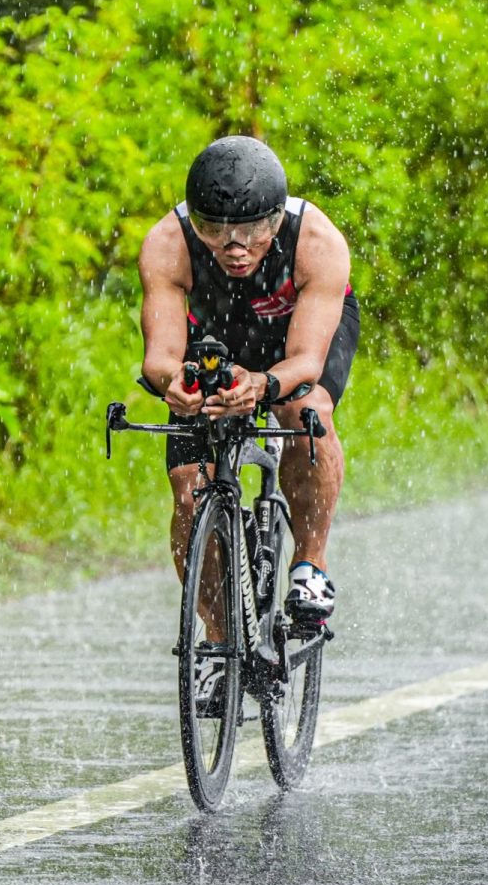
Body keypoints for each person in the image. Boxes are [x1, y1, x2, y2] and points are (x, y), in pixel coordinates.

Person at [136, 136, 358, 711]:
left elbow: (307, 362)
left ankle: (309, 564)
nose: (234, 247)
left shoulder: (315, 242)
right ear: (196, 223)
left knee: (304, 412)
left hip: (294, 333)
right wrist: (173, 387)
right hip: (218, 333)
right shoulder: (168, 244)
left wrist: (263, 384)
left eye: (253, 232)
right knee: (190, 487)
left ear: (276, 218)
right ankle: (218, 639)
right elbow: (160, 356)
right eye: (214, 230)